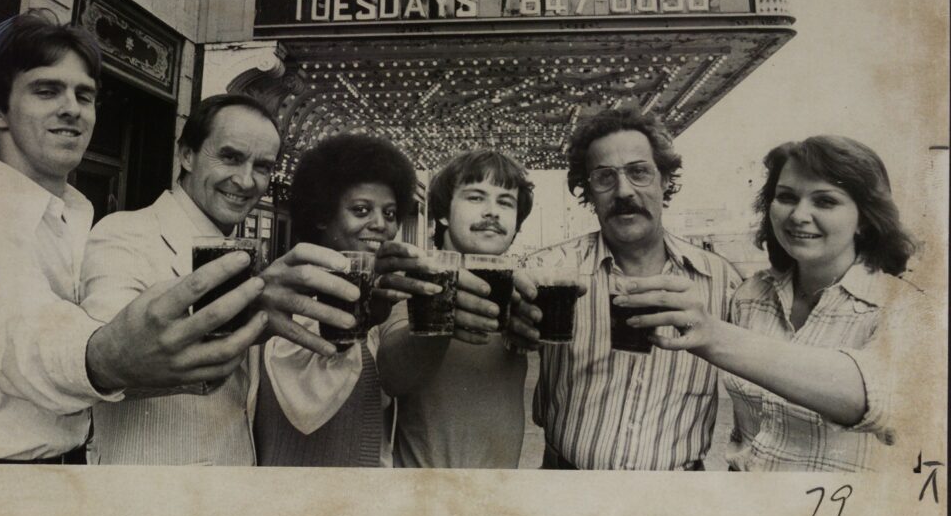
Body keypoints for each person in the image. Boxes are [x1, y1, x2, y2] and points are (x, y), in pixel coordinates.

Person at [0, 13, 266, 464]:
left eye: (85, 95)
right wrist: (109, 355)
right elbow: (21, 340)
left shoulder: (72, 219)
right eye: (46, 90)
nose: (72, 109)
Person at [80, 94, 361, 465]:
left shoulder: (244, 254)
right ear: (186, 155)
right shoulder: (123, 234)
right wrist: (244, 314)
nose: (246, 180)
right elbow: (107, 363)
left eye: (262, 166)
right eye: (230, 157)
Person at [615, 135, 925, 471]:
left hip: (837, 513)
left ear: (864, 218)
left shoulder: (906, 306)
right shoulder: (750, 296)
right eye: (786, 197)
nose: (799, 215)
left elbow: (880, 398)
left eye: (825, 201)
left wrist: (714, 335)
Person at [514, 104, 743, 470]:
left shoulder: (721, 281)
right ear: (587, 191)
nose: (623, 191)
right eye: (604, 177)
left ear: (665, 180)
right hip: (566, 485)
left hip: (675, 498)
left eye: (639, 173)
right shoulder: (547, 271)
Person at [255, 133, 418, 467]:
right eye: (361, 210)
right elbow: (304, 409)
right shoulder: (285, 297)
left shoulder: (387, 299)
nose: (380, 225)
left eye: (389, 213)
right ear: (321, 215)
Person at [373, 149, 535, 468]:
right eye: (476, 198)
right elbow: (392, 375)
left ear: (516, 225)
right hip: (424, 499)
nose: (492, 212)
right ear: (443, 214)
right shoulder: (415, 279)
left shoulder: (521, 290)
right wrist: (441, 310)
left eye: (505, 202)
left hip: (499, 497)